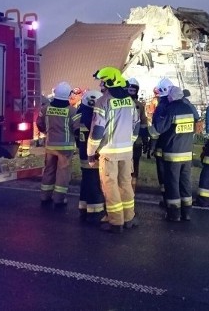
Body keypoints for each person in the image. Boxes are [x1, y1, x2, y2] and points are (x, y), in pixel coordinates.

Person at [88, 67, 140, 234]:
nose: (101, 85)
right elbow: (136, 125)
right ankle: (129, 217)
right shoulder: (130, 101)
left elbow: (97, 131)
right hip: (127, 152)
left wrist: (91, 152)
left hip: (109, 152)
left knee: (110, 186)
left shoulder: (103, 102)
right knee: (125, 184)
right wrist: (129, 142)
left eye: (103, 82)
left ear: (109, 82)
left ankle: (116, 221)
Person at [155, 86, 195, 222]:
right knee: (185, 183)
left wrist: (158, 116)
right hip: (187, 153)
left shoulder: (171, 109)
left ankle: (174, 214)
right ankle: (187, 213)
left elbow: (160, 128)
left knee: (172, 183)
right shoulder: (189, 109)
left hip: (173, 153)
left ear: (171, 97)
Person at [40, 81, 77, 209]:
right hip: (65, 149)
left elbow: (39, 124)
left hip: (50, 146)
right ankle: (59, 199)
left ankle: (45, 196)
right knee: (62, 173)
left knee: (49, 170)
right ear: (68, 95)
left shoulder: (45, 109)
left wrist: (47, 132)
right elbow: (77, 128)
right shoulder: (72, 111)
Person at [72, 89, 105, 224]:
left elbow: (75, 131)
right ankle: (95, 212)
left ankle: (83, 207)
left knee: (86, 180)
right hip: (94, 154)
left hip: (83, 153)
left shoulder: (79, 114)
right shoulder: (96, 117)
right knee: (94, 183)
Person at [151, 77, 174, 206]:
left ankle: (166, 199)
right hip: (175, 146)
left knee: (163, 174)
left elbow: (156, 128)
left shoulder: (161, 106)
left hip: (162, 146)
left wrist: (152, 145)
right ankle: (173, 198)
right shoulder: (177, 105)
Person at [126, 77, 148, 192]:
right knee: (135, 166)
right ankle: (132, 190)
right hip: (136, 141)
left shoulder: (118, 104)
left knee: (123, 166)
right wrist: (145, 141)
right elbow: (144, 124)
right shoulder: (139, 105)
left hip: (122, 142)